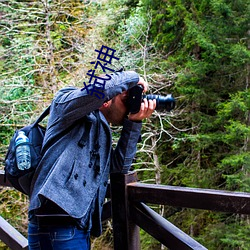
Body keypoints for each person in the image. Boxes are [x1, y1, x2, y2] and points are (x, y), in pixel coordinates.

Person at [28, 70, 156, 250]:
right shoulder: (66, 101)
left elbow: (118, 167)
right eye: (125, 99)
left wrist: (134, 123)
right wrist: (134, 78)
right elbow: (100, 89)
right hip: (59, 224)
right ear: (109, 96)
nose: (129, 106)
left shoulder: (101, 130)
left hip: (73, 226)